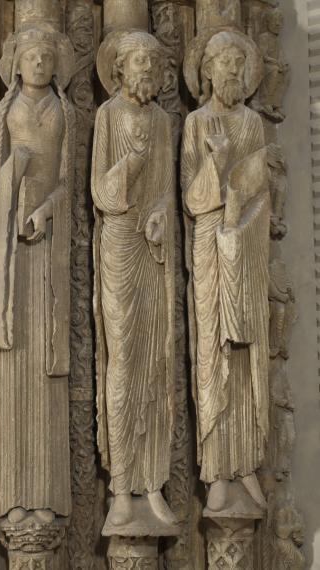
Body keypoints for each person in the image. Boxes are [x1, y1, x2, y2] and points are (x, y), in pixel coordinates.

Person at [182, 30, 270, 512]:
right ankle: (217, 469)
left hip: (247, 245)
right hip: (210, 243)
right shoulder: (196, 123)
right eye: (224, 62)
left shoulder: (253, 123)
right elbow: (191, 199)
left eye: (240, 63)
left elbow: (262, 190)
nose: (233, 71)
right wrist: (217, 166)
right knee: (214, 349)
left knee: (247, 354)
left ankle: (248, 466)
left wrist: (242, 223)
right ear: (207, 70)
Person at [0, 27, 75, 523]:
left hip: (49, 252)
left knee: (46, 370)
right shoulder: (6, 112)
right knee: (14, 368)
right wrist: (13, 183)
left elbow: (66, 180)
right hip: (10, 260)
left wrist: (45, 210)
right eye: (31, 56)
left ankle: (45, 499)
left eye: (47, 56)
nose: (40, 62)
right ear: (16, 65)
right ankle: (11, 500)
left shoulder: (64, 113)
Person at [93, 31, 176, 527]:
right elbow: (100, 191)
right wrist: (130, 165)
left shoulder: (163, 120)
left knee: (156, 362)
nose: (146, 69)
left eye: (153, 61)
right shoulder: (107, 117)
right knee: (123, 361)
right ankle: (122, 486)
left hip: (154, 247)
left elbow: (166, 187)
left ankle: (153, 483)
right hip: (120, 244)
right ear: (120, 70)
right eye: (138, 61)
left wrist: (162, 213)